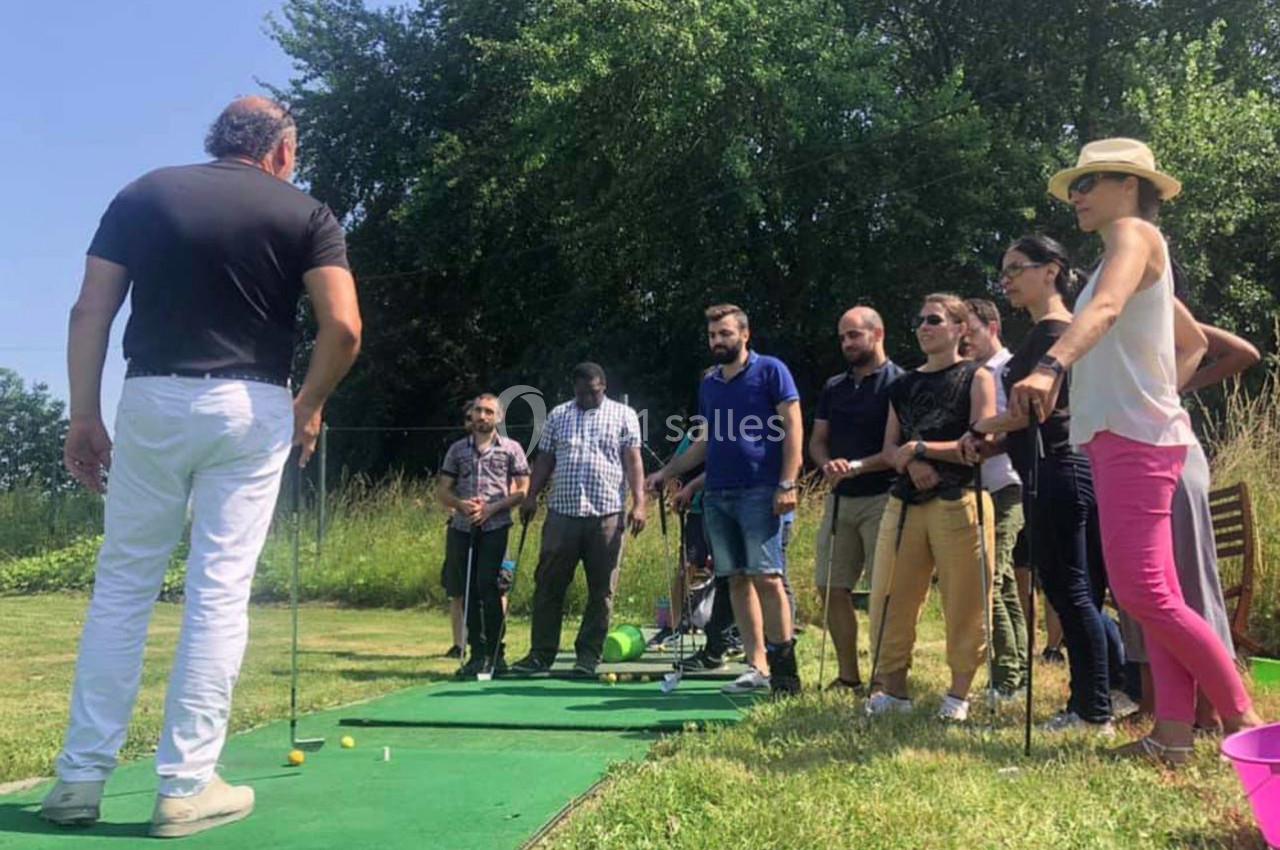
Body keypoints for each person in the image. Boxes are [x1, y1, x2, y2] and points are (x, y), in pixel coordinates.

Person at [41, 97, 361, 837]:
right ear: (282, 151)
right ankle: (186, 788)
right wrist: (310, 404)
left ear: (220, 140)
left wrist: (83, 414)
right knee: (218, 591)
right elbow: (343, 328)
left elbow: (90, 311)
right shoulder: (307, 213)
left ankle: (78, 780)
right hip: (251, 405)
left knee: (123, 585)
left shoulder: (144, 193)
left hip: (152, 397)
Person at [1012, 138, 1262, 763]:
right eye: (1075, 185)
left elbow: (1105, 308)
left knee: (1146, 592)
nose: (1076, 195)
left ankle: (1245, 721)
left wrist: (1050, 365)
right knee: (1150, 596)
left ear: (1129, 185)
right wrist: (1160, 387)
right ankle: (1172, 736)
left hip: (1137, 441)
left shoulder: (1133, 234)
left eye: (1088, 183)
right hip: (1127, 437)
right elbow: (1190, 340)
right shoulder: (1125, 253)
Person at [965, 235, 1132, 734]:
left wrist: (980, 428)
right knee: (1075, 591)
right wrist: (996, 442)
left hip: (1057, 467)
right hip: (1058, 466)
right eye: (1004, 271)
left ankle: (1093, 710)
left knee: (1070, 591)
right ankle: (1106, 693)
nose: (1007, 280)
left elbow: (1034, 409)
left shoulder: (1056, 331)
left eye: (1016, 268)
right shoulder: (1051, 331)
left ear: (1051, 271)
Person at [646, 304, 804, 696]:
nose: (718, 341)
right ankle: (756, 667)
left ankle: (785, 673)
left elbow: (793, 427)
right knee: (735, 580)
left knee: (768, 577)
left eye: (725, 334)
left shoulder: (771, 370)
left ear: (745, 335)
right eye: (712, 335)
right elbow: (705, 441)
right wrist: (666, 472)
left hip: (761, 490)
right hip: (717, 494)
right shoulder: (710, 385)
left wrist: (788, 482)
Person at [1121, 300, 1261, 726]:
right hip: (1129, 450)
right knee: (1142, 582)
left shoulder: (1157, 311)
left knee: (1191, 577)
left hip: (1170, 451)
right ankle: (1153, 702)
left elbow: (1243, 352)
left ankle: (1213, 709)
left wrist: (1180, 385)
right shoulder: (1109, 321)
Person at [865, 294, 996, 722]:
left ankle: (958, 694)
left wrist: (922, 449)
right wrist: (911, 461)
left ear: (960, 328)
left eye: (935, 320)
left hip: (959, 501)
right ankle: (893, 688)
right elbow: (889, 448)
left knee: (965, 600)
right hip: (904, 502)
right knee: (889, 595)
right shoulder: (902, 385)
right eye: (920, 320)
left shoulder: (977, 377)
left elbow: (981, 443)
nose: (924, 327)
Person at [510, 363, 646, 676]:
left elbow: (633, 462)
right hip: (562, 514)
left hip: (606, 514)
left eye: (593, 392)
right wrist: (531, 496)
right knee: (548, 584)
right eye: (581, 392)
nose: (587, 397)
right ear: (574, 389)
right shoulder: (558, 415)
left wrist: (640, 503)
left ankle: (588, 655)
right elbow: (545, 459)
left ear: (604, 386)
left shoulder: (624, 415)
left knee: (602, 590)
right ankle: (540, 654)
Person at [809, 307, 903, 692]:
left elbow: (897, 449)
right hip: (839, 499)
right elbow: (817, 441)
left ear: (877, 334)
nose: (846, 343)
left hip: (885, 496)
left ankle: (884, 678)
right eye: (842, 337)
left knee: (884, 592)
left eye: (854, 335)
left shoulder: (900, 383)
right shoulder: (834, 386)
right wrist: (827, 465)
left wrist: (857, 466)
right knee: (829, 586)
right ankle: (849, 676)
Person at [437, 393, 530, 676]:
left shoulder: (511, 449)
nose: (482, 416)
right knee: (469, 590)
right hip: (463, 528)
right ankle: (476, 654)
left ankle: (497, 654)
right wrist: (460, 505)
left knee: (489, 587)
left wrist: (493, 508)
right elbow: (442, 490)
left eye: (489, 411)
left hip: (495, 527)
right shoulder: (457, 450)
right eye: (478, 410)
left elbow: (523, 490)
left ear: (498, 417)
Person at [962, 299, 1027, 701]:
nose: (965, 340)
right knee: (1002, 583)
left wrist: (986, 445)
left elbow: (1020, 425)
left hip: (1007, 485)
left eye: (971, 331)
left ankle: (1007, 679)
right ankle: (1018, 670)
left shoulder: (1010, 369)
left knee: (992, 578)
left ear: (993, 327)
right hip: (979, 489)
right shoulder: (972, 374)